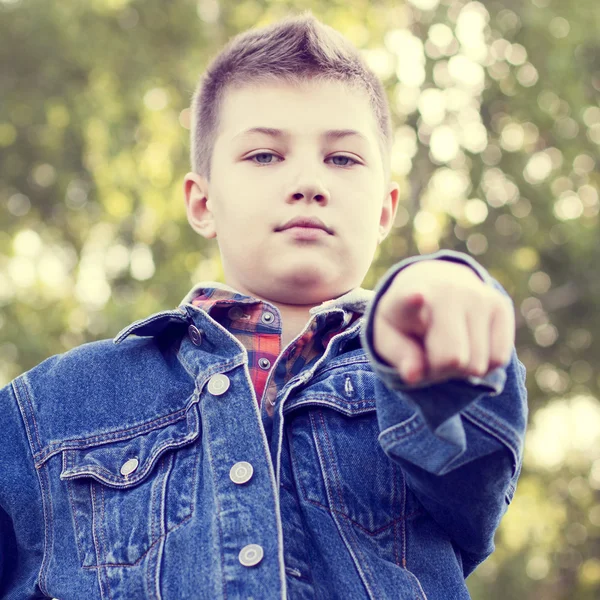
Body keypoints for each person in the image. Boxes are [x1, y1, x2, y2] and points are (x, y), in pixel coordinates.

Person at [0, 12, 527, 600]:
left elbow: (475, 469)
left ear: (385, 209)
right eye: (264, 156)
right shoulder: (51, 409)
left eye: (343, 159)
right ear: (203, 203)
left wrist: (442, 299)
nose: (307, 181)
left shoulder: (417, 363)